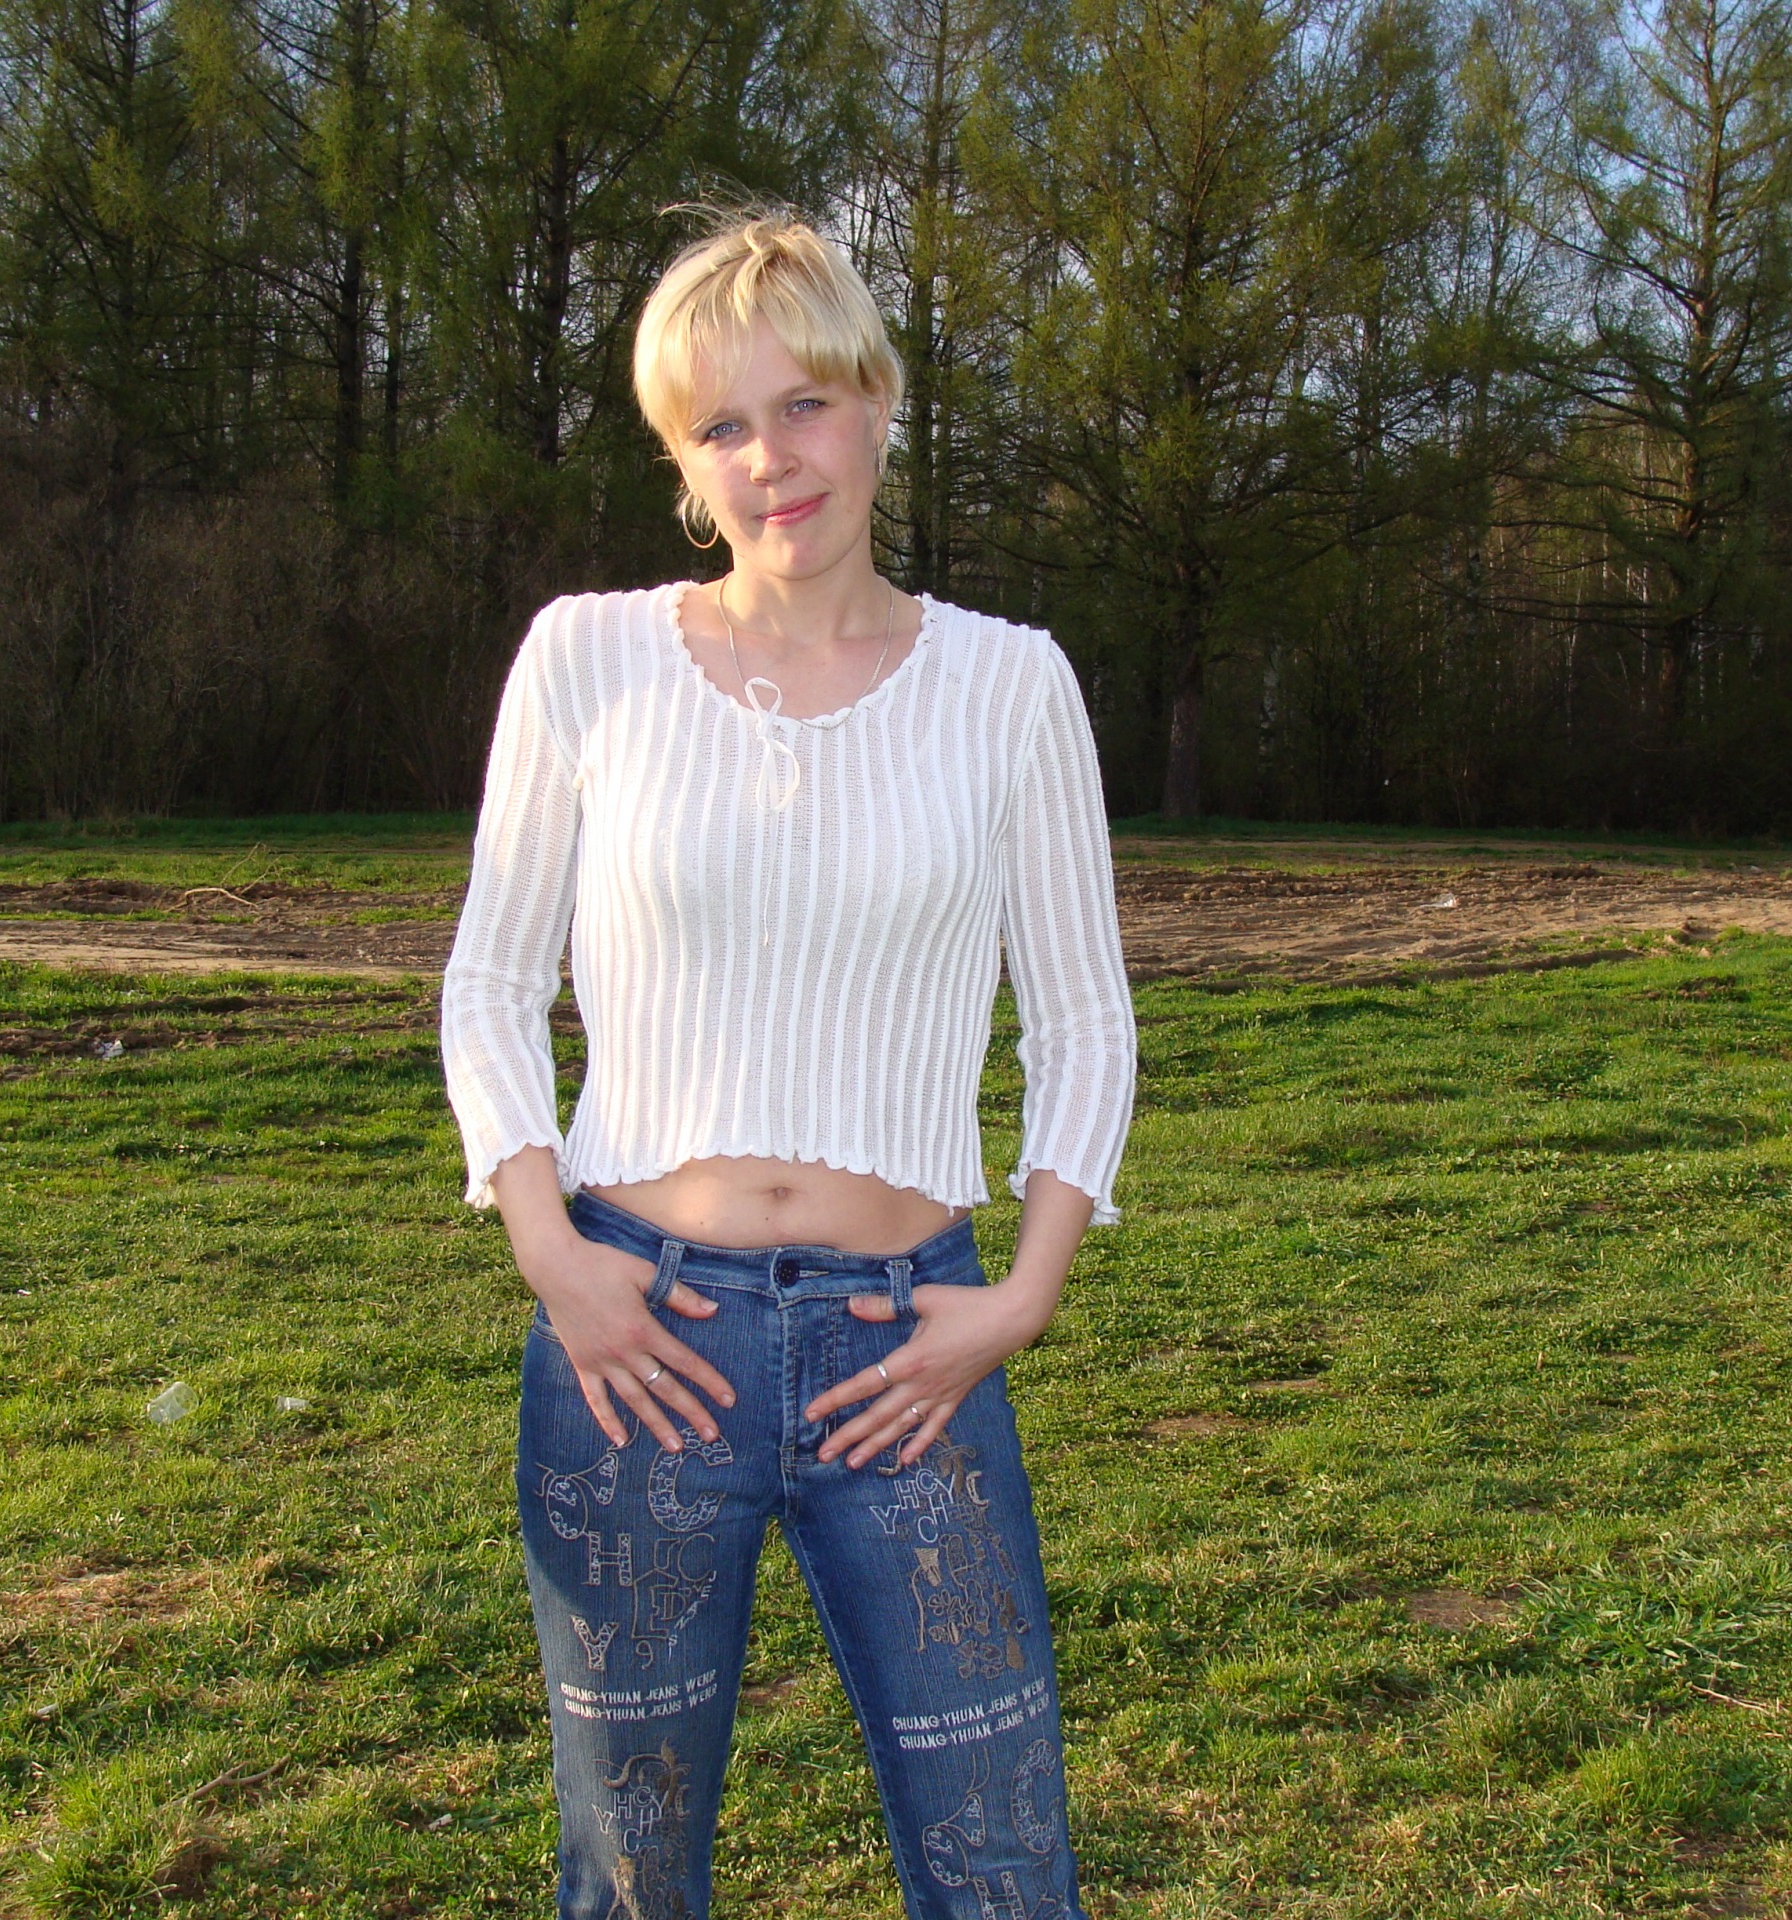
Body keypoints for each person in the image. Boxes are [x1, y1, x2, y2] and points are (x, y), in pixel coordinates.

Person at [439, 210, 1137, 1920]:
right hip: (636, 1343)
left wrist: (1022, 1299)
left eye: (807, 404)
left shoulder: (1010, 687)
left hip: (909, 1348)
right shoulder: (587, 659)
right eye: (723, 426)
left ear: (880, 401)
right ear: (685, 464)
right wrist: (555, 1261)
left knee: (1001, 1862)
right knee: (629, 1869)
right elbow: (491, 983)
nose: (774, 459)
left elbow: (1085, 1020)